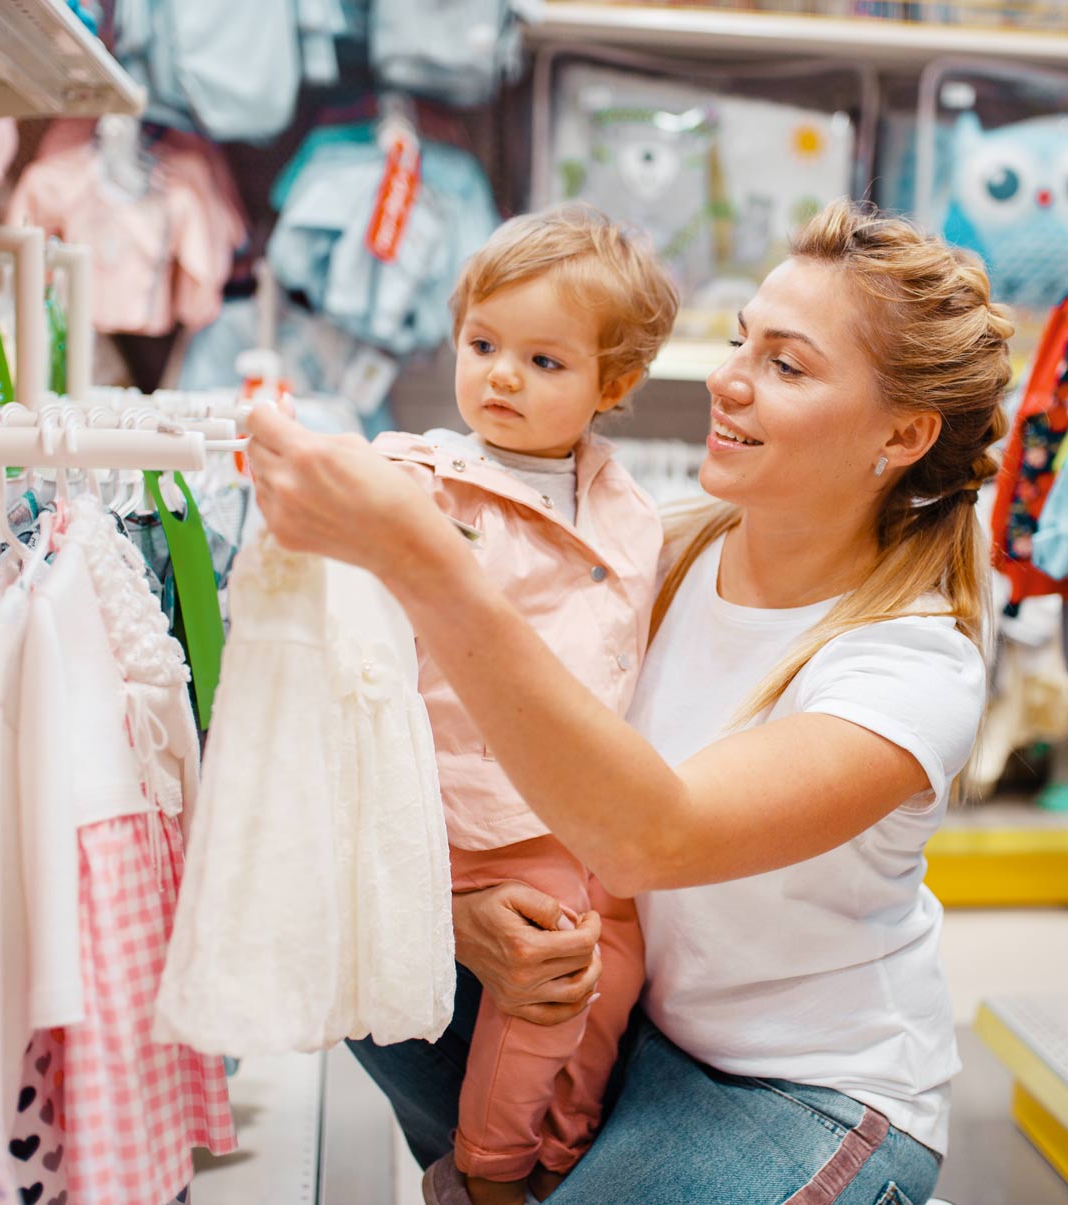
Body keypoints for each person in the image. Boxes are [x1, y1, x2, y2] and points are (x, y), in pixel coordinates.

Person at [247, 198, 1010, 1204]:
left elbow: (652, 836)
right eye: (740, 341)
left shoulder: (908, 664)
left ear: (901, 432)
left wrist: (427, 560)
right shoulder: (654, 544)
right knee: (353, 949)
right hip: (625, 1021)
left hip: (797, 1089)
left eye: (785, 364)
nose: (726, 380)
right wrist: (463, 912)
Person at [368, 204, 679, 1205]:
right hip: (482, 802)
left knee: (615, 981)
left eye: (544, 361)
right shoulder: (422, 483)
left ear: (612, 385)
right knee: (549, 987)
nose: (500, 374)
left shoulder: (626, 507)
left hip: (593, 810)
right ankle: (489, 1171)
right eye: (483, 343)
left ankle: (565, 1147)